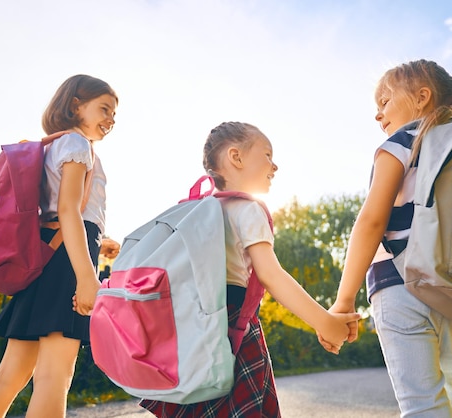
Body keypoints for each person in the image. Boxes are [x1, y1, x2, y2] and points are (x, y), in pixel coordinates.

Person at [140, 121, 360, 417]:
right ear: (236, 157)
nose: (275, 165)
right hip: (234, 329)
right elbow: (271, 275)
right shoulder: (248, 208)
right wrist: (324, 322)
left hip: (192, 334)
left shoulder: (196, 210)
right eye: (267, 155)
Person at [322, 60, 452, 418]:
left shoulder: (400, 144)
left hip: (399, 285)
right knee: (449, 403)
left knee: (422, 405)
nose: (378, 116)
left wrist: (344, 301)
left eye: (384, 101)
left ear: (421, 98)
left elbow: (372, 221)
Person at [0, 74, 118, 418]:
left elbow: (61, 212)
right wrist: (86, 277)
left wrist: (100, 241)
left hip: (45, 257)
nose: (111, 120)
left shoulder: (53, 144)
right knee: (55, 377)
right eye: (105, 108)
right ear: (75, 104)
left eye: (114, 114)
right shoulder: (78, 145)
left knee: (10, 375)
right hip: (66, 267)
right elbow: (69, 210)